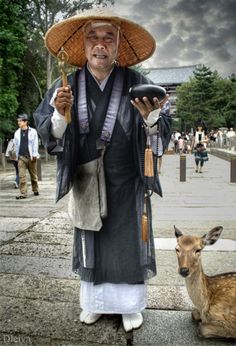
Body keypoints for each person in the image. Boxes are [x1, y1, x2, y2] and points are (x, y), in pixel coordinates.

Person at [34, 10, 171, 332]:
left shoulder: (138, 82)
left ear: (118, 45)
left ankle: (130, 307)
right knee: (90, 237)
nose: (100, 44)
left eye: (108, 37)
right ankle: (94, 303)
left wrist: (151, 118)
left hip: (128, 179)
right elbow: (48, 133)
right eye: (93, 37)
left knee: (128, 242)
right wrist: (58, 114)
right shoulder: (64, 85)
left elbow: (162, 129)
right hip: (86, 176)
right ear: (82, 45)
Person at [14, 114, 40, 199]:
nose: (19, 122)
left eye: (20, 121)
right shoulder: (17, 133)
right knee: (22, 176)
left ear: (25, 122)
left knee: (33, 175)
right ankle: (23, 193)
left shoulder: (33, 131)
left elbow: (35, 144)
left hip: (31, 157)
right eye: (18, 121)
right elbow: (16, 145)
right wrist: (16, 156)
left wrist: (35, 155)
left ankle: (35, 189)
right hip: (21, 157)